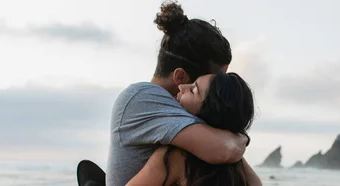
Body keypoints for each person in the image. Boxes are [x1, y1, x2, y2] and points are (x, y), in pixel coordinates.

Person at [76, 1, 261, 186]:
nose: (219, 85)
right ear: (180, 77)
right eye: (213, 78)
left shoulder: (181, 133)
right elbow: (222, 149)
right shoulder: (142, 98)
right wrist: (240, 138)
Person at [126, 72, 260, 186]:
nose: (181, 86)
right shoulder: (237, 168)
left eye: (193, 91)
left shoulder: (174, 157)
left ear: (209, 111)